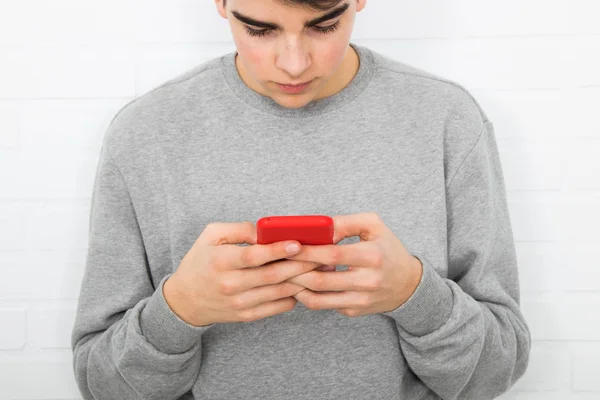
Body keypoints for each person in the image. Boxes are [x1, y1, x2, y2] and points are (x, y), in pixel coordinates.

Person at [71, 0, 531, 399]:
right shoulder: (145, 134)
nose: (293, 63)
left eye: (324, 25)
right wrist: (179, 311)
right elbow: (102, 385)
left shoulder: (446, 120)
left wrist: (414, 294)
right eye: (259, 29)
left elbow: (493, 375)